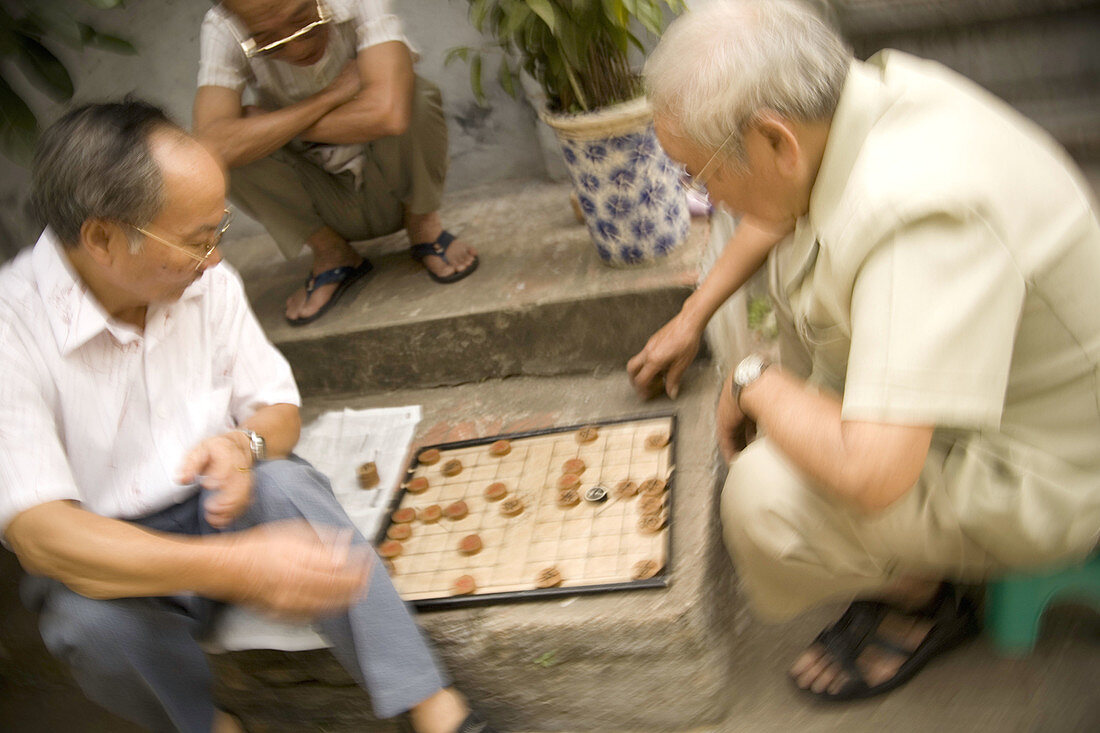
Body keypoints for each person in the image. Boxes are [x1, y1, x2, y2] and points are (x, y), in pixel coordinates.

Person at [635, 0, 1100, 701]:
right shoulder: (864, 100)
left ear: (773, 142)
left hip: (1045, 470)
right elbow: (774, 210)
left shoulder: (918, 213)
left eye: (700, 175)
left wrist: (752, 380)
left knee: (762, 497)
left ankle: (922, 594)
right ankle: (909, 558)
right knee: (759, 330)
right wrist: (692, 316)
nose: (704, 195)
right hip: (994, 392)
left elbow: (873, 470)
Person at [0, 101, 495, 733]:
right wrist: (241, 566)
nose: (214, 258)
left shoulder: (206, 281)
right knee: (85, 624)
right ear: (101, 237)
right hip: (117, 561)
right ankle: (209, 724)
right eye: (195, 238)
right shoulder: (13, 328)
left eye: (219, 230)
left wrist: (244, 444)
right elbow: (43, 535)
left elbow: (278, 409)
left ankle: (435, 710)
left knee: (286, 484)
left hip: (219, 510)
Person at [192, 0, 478, 326]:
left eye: (304, 21)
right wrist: (331, 97)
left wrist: (272, 125)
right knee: (225, 156)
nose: (296, 46)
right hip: (322, 197)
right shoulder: (222, 26)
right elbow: (211, 146)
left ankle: (424, 226)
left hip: (393, 183)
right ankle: (331, 252)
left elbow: (389, 113)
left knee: (414, 96)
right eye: (269, 41)